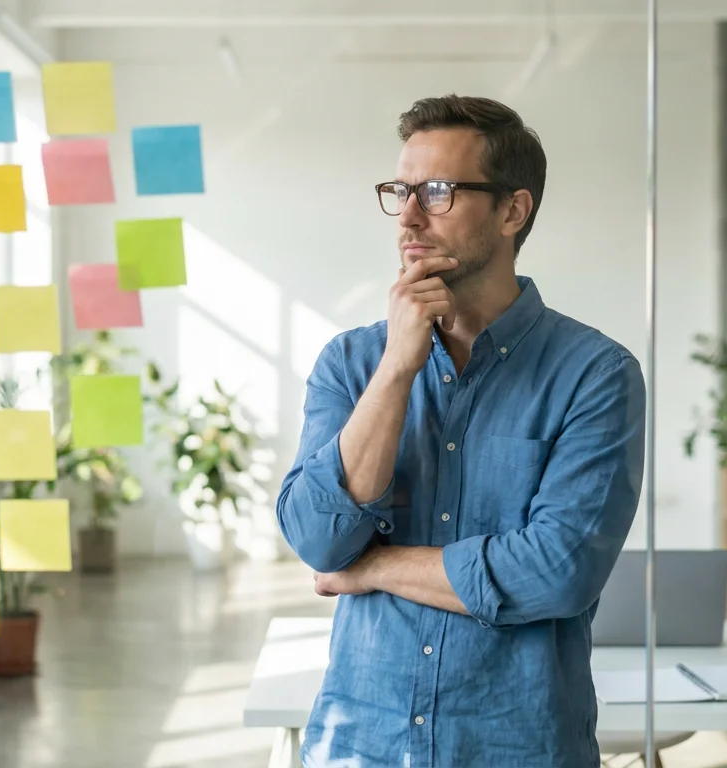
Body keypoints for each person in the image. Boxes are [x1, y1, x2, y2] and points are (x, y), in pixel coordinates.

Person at [275, 94, 647, 767]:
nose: (410, 215)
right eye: (401, 190)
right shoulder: (354, 363)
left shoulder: (596, 375)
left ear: (513, 210)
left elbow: (556, 572)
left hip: (517, 747)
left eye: (439, 191)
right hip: (362, 745)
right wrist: (396, 369)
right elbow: (319, 539)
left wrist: (376, 567)